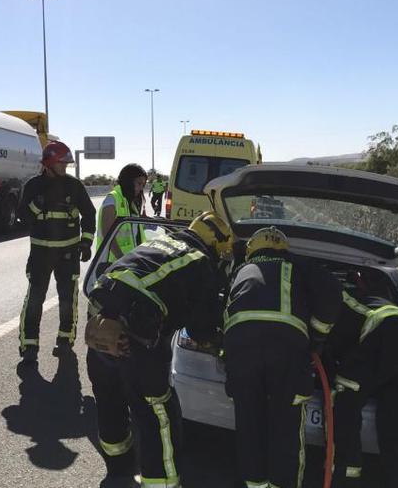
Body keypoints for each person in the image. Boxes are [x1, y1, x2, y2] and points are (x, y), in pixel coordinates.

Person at [85, 211, 233, 487]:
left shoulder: (160, 243)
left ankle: (118, 469)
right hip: (137, 335)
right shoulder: (200, 262)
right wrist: (218, 342)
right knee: (158, 414)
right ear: (215, 245)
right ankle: (162, 482)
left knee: (109, 398)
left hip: (99, 319)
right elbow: (202, 330)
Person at [222, 226, 342, 488]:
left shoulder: (241, 269)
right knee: (286, 428)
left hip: (241, 349)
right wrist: (318, 338)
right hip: (286, 350)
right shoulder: (298, 264)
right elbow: (332, 293)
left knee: (249, 425)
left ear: (253, 249)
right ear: (283, 248)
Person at [325, 278, 398, 488]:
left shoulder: (330, 300)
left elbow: (327, 345)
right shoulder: (363, 297)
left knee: (345, 397)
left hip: (383, 337)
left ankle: (347, 477)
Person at [17, 140, 97, 361]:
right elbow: (23, 217)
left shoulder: (74, 186)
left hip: (68, 254)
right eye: (62, 163)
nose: (66, 167)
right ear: (50, 163)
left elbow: (89, 215)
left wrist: (86, 242)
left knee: (67, 300)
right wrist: (39, 203)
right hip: (40, 254)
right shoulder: (33, 186)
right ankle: (29, 346)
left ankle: (64, 341)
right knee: (34, 300)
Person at [96, 164, 148, 262]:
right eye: (139, 183)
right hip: (111, 263)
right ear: (128, 181)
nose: (141, 188)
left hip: (129, 260)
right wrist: (121, 259)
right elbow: (107, 234)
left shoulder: (130, 202)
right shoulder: (112, 199)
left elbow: (133, 231)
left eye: (143, 185)